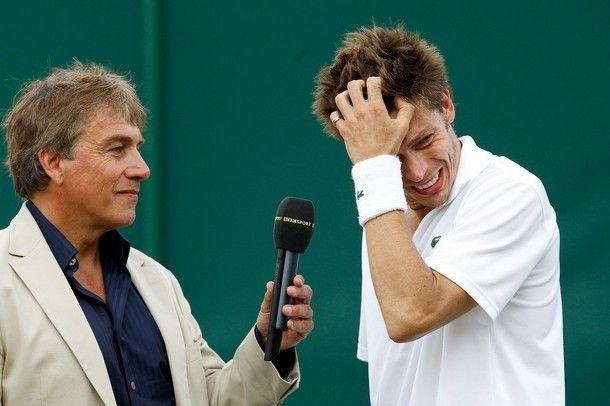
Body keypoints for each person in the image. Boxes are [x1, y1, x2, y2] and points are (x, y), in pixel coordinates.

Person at [0, 61, 314, 405]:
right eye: (117, 149)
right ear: (54, 163)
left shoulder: (156, 282)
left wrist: (268, 343)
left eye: (138, 148)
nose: (142, 169)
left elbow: (211, 398)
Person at [312, 24, 563, 405]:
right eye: (392, 158)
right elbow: (395, 375)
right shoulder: (383, 218)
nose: (416, 173)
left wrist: (375, 169)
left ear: (446, 105)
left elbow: (410, 313)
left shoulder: (512, 193)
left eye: (424, 140)